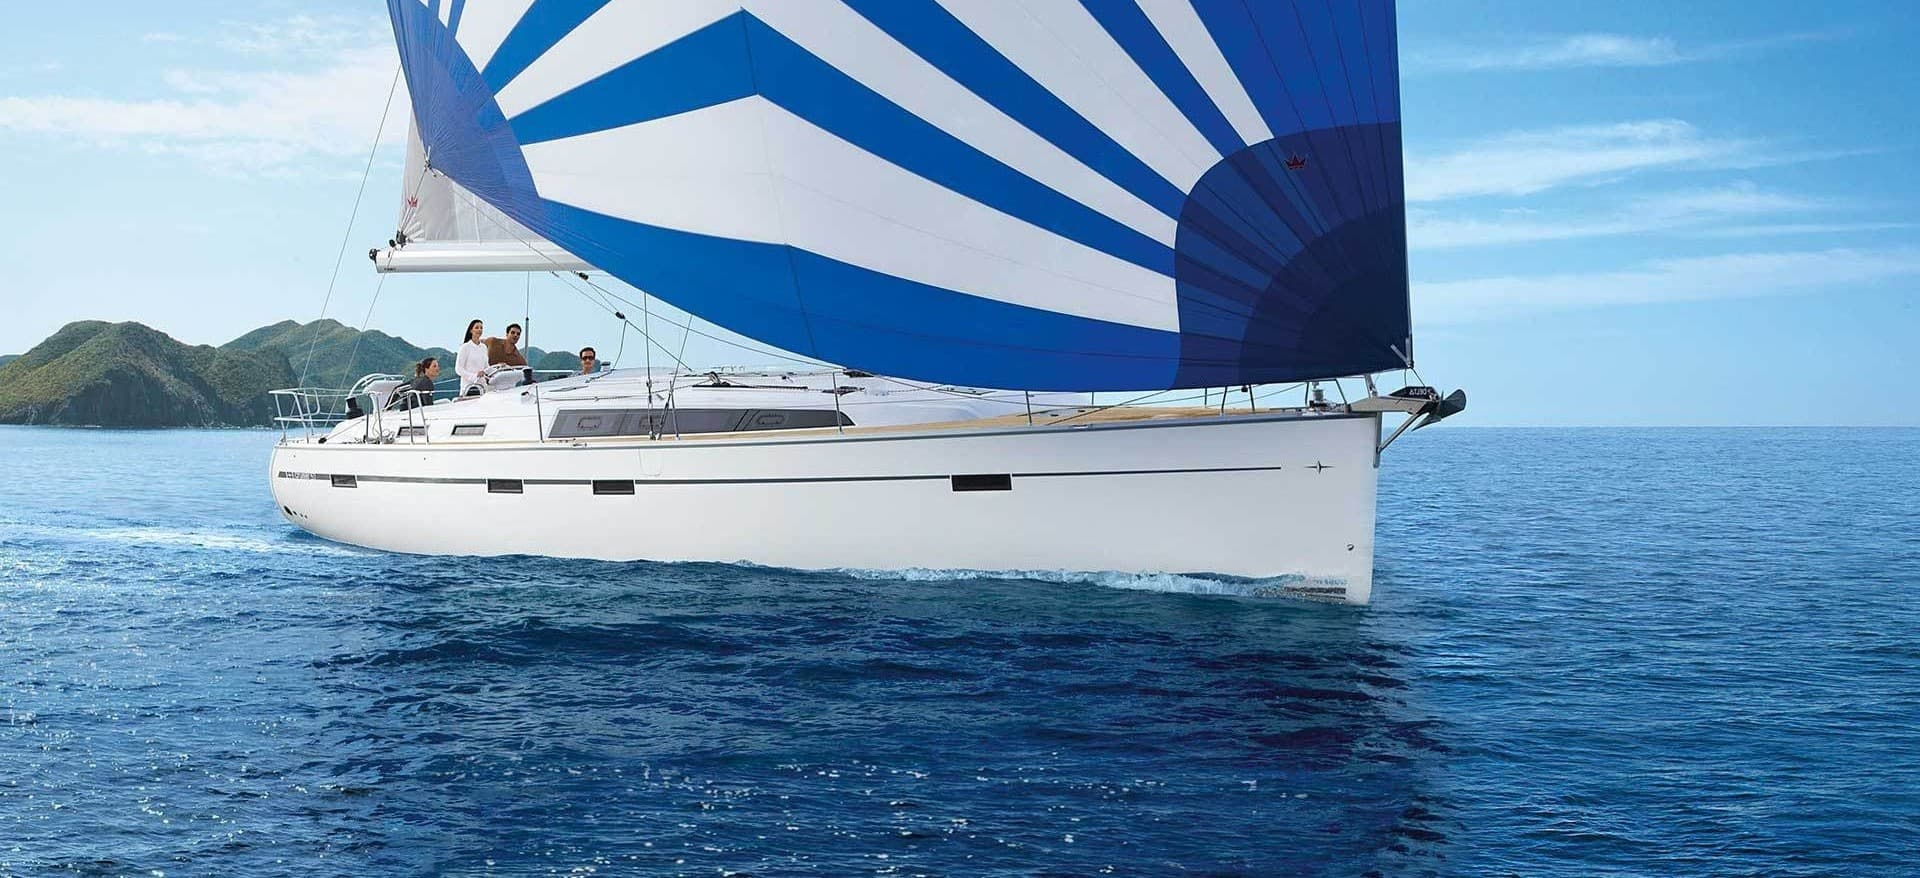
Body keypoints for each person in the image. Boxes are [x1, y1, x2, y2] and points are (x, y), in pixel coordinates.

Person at [486, 323, 535, 388]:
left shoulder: (520, 360)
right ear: (507, 334)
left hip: (502, 386)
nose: (515, 335)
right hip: (482, 380)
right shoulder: (493, 342)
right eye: (512, 332)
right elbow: (476, 343)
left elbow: (526, 375)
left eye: (518, 334)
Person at [456, 318, 488, 397]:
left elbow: (486, 367)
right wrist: (474, 376)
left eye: (481, 328)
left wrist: (498, 368)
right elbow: (458, 369)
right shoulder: (465, 347)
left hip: (482, 388)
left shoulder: (484, 347)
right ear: (471, 330)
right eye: (477, 327)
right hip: (468, 388)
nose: (479, 329)